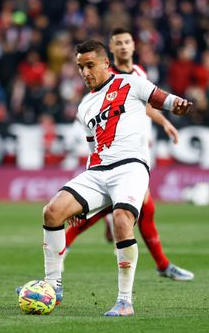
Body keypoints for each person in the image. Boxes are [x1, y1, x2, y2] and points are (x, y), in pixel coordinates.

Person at [39, 40, 192, 317]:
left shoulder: (131, 83)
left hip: (131, 167)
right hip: (97, 171)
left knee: (123, 219)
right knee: (52, 211)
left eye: (90, 65)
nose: (85, 73)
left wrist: (177, 105)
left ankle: (124, 301)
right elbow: (93, 151)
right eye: (80, 67)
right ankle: (52, 287)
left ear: (105, 63)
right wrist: (81, 202)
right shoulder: (84, 108)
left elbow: (163, 99)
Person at [64, 28, 194, 282]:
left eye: (127, 42)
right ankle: (162, 264)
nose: (123, 47)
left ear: (133, 46)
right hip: (116, 154)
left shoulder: (138, 75)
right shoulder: (105, 80)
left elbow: (146, 103)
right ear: (110, 52)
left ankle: (161, 264)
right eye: (118, 43)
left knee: (136, 208)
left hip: (138, 149)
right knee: (137, 207)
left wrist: (164, 122)